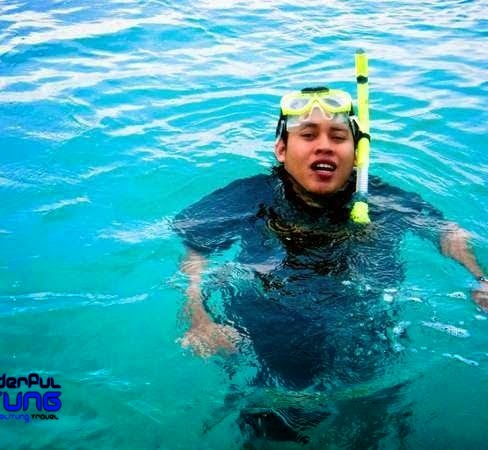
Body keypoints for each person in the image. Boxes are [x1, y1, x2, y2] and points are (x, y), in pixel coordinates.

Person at [173, 86, 487, 443]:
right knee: (270, 431)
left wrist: (480, 277)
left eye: (338, 137)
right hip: (270, 335)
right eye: (308, 135)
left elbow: (447, 232)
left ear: (357, 152)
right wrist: (198, 315)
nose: (324, 145)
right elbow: (195, 248)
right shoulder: (249, 196)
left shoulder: (385, 200)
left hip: (364, 336)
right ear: (281, 150)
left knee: (370, 429)